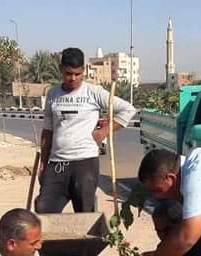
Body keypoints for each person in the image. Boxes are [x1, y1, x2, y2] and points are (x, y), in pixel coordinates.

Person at [35, 47, 136, 214]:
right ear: (61, 70)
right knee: (43, 210)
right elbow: (48, 130)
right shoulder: (53, 94)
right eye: (68, 73)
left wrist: (103, 132)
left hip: (85, 163)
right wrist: (43, 163)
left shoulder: (93, 92)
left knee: (85, 214)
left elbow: (128, 110)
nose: (73, 78)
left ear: (84, 70)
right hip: (57, 163)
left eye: (77, 74)